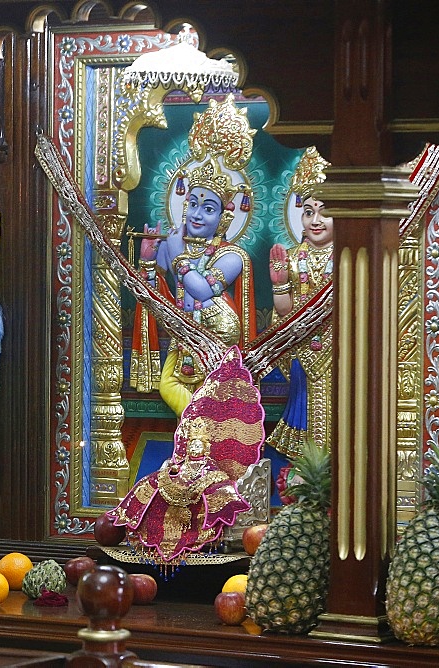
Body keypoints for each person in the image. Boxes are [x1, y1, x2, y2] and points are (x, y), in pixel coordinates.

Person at [108, 346, 264, 564]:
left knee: (216, 493)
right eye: (192, 445)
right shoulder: (185, 451)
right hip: (180, 479)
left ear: (207, 447)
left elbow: (218, 476)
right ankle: (137, 524)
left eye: (199, 446)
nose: (194, 449)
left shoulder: (211, 463)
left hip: (203, 483)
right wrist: (171, 472)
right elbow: (176, 465)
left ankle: (200, 535)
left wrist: (201, 479)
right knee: (150, 483)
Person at [137, 154, 255, 416]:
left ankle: (199, 440)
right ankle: (194, 435)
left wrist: (178, 255)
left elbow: (201, 289)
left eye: (209, 209)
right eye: (193, 204)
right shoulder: (174, 246)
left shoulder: (232, 256)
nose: (197, 215)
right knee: (168, 386)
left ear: (224, 219)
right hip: (184, 334)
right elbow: (152, 296)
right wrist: (147, 261)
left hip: (217, 333)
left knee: (211, 390)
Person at [267, 147, 333, 457]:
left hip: (340, 348)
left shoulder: (349, 256)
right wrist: (280, 285)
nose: (315, 220)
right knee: (304, 408)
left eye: (324, 211)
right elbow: (285, 312)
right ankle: (306, 479)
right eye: (308, 211)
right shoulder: (292, 259)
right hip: (304, 352)